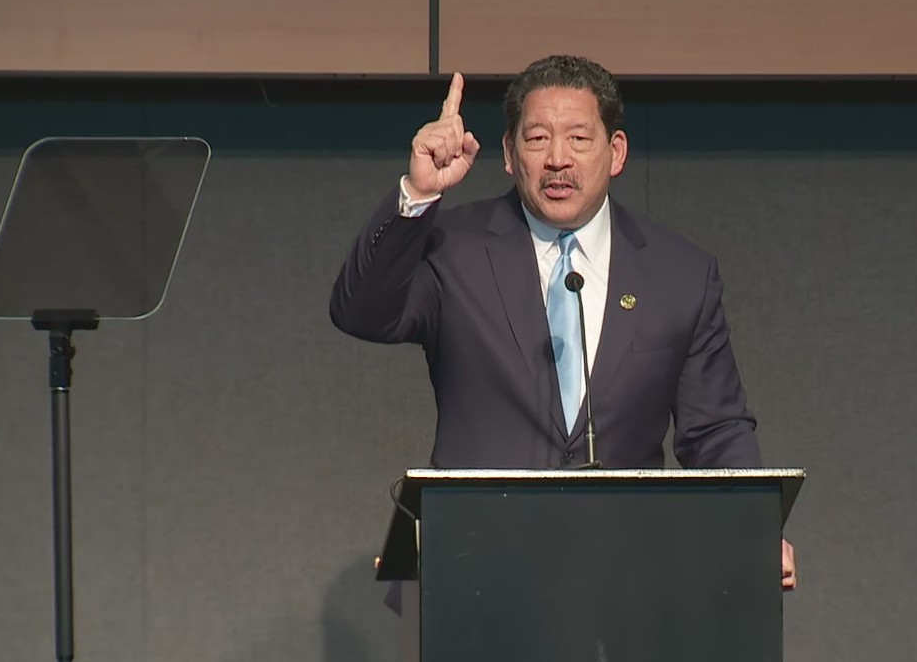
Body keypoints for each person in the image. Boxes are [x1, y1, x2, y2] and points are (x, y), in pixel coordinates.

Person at [330, 55, 794, 589]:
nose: (557, 159)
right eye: (536, 139)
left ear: (616, 152)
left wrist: (753, 528)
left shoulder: (680, 274)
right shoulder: (453, 250)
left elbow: (715, 430)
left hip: (628, 582)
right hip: (474, 573)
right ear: (509, 154)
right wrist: (418, 195)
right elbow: (359, 311)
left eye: (578, 138)